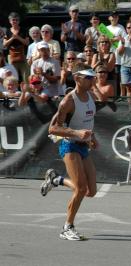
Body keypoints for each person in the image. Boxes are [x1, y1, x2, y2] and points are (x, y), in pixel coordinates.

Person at [40, 64, 98, 241]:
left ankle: (56, 179)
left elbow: (88, 121)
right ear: (77, 78)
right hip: (69, 145)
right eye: (88, 77)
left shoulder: (91, 96)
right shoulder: (68, 101)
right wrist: (76, 133)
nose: (92, 80)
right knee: (81, 188)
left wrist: (92, 138)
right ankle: (67, 227)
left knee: (91, 191)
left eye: (93, 77)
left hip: (83, 145)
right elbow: (52, 128)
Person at [3, 12, 29, 83]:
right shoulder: (7, 31)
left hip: (23, 56)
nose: (15, 21)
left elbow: (27, 43)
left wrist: (18, 37)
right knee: (13, 78)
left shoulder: (24, 30)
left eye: (16, 20)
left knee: (26, 77)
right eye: (13, 20)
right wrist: (12, 38)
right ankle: (14, 93)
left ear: (19, 21)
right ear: (10, 21)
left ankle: (26, 92)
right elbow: (4, 44)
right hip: (11, 57)